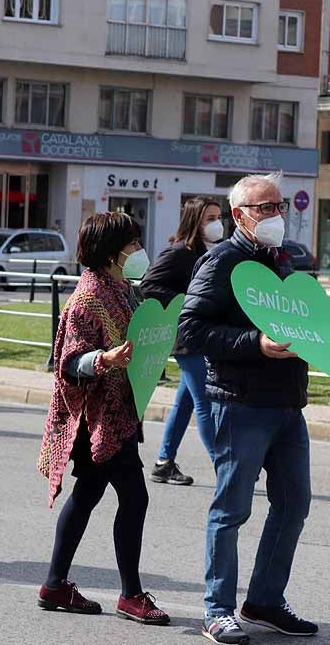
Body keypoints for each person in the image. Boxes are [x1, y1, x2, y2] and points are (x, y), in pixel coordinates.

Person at [179, 173, 330, 643]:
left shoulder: (281, 259)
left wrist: (324, 344)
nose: (275, 215)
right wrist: (255, 344)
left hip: (288, 404)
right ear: (239, 215)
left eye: (279, 205)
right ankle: (217, 609)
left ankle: (265, 601)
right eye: (264, 207)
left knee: (294, 504)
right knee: (231, 509)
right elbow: (189, 331)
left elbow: (297, 321)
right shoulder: (220, 261)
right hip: (241, 403)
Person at [36, 212, 170, 627]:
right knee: (135, 497)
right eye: (132, 245)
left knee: (89, 493)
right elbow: (69, 361)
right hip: (100, 421)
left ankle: (55, 585)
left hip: (117, 415)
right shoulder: (87, 298)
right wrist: (103, 360)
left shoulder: (121, 288)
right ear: (111, 253)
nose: (138, 251)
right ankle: (131, 595)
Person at [139, 197, 224, 486]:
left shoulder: (209, 251)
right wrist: (187, 302)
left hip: (202, 336)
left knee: (185, 402)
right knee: (205, 401)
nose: (217, 223)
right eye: (209, 218)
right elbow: (147, 285)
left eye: (218, 216)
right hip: (186, 337)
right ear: (194, 221)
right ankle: (223, 464)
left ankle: (163, 462)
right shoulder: (178, 252)